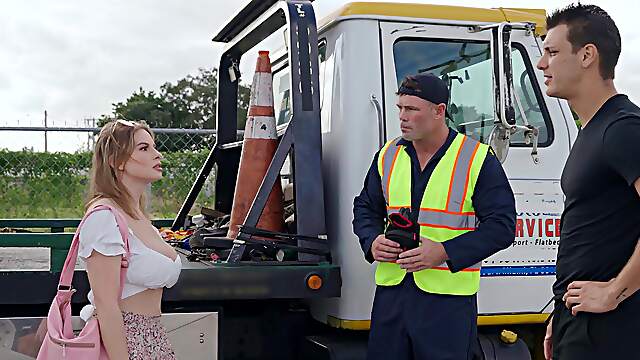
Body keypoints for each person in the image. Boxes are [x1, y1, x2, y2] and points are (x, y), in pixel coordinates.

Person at [352, 73, 516, 359]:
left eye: (412, 109)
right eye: (400, 108)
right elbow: (365, 207)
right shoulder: (387, 155)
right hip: (392, 298)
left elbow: (502, 227)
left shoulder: (476, 159)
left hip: (447, 303)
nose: (402, 117)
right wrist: (372, 240)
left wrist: (443, 252)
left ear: (439, 112)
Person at [537, 4, 640, 360]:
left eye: (551, 52)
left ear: (587, 56)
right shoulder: (592, 131)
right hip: (579, 322)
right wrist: (561, 313)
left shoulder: (623, 128)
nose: (541, 64)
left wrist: (616, 291)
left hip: (612, 328)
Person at [79, 119, 182, 359]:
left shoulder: (137, 216)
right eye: (144, 148)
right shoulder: (104, 217)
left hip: (152, 338)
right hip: (124, 340)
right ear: (116, 161)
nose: (158, 155)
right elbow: (106, 306)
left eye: (154, 147)